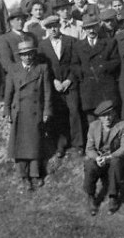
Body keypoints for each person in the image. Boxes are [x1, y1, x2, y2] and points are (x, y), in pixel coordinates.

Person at [3, 39, 52, 191]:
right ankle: (23, 177)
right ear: (20, 56)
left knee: (35, 143)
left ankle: (35, 174)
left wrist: (46, 111)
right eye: (24, 54)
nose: (28, 57)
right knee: (19, 145)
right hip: (19, 111)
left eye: (30, 54)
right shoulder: (14, 69)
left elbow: (47, 92)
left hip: (35, 111)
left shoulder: (42, 68)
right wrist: (6, 110)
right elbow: (8, 91)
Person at [38, 16, 84, 158]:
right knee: (58, 115)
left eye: (55, 26)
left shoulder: (71, 41)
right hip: (54, 86)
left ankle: (79, 144)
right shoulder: (42, 45)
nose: (53, 29)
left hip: (70, 84)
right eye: (50, 27)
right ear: (47, 29)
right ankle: (61, 145)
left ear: (60, 26)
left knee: (74, 111)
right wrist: (54, 82)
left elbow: (76, 63)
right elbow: (43, 67)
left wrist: (69, 80)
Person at [84, 100, 124, 215]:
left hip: (114, 158)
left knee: (115, 163)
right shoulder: (93, 126)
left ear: (114, 113)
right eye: (104, 116)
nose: (107, 118)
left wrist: (110, 157)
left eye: (110, 114)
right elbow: (89, 149)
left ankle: (113, 196)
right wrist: (97, 158)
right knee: (89, 165)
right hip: (99, 159)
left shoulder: (122, 125)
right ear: (99, 117)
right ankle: (91, 196)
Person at [73, 15, 121, 125]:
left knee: (110, 122)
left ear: (98, 27)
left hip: (106, 87)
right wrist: (84, 74)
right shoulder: (78, 46)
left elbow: (116, 61)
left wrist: (103, 67)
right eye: (88, 28)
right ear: (84, 29)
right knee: (93, 124)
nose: (91, 30)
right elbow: (74, 65)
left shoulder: (109, 42)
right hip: (89, 89)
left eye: (93, 27)